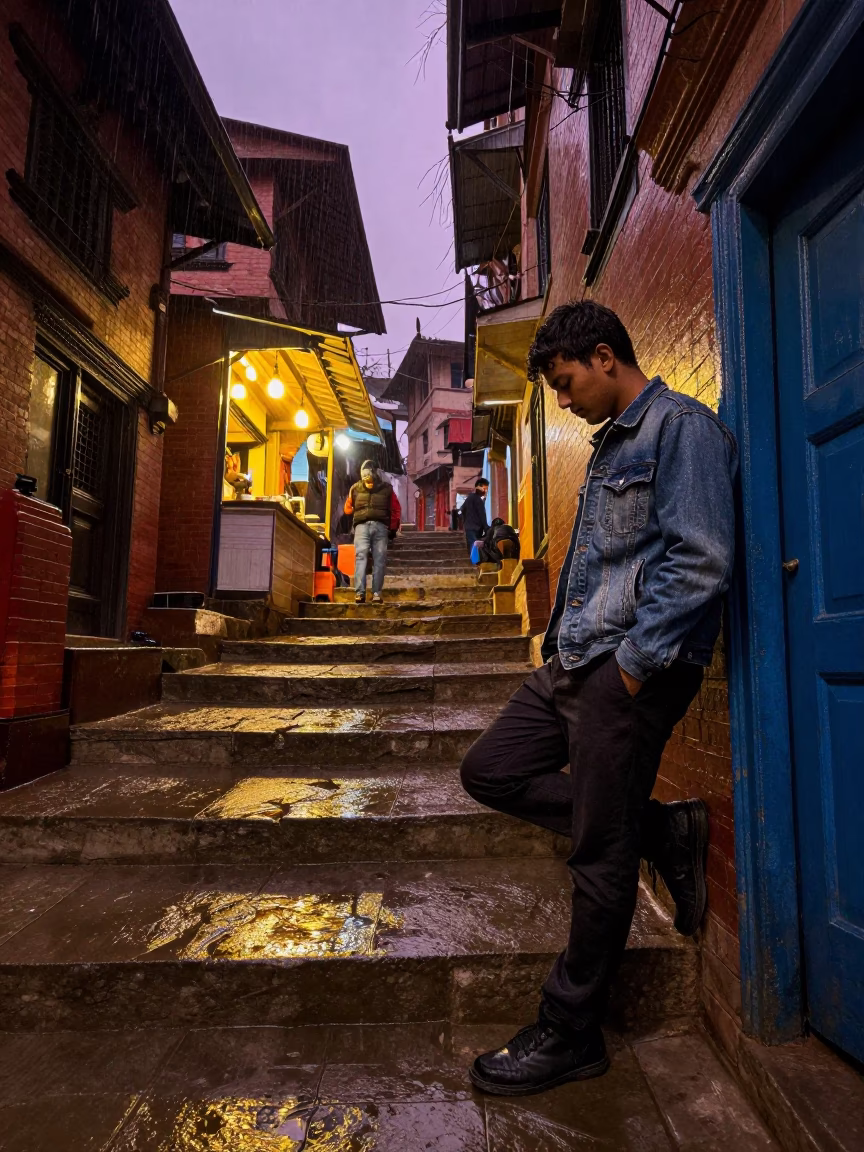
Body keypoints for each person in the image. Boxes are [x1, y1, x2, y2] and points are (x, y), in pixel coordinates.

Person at [460, 301, 737, 1096]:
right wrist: (564, 650)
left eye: (566, 381)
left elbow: (702, 560)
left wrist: (633, 667)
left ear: (606, 355)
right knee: (490, 770)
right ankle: (659, 827)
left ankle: (572, 1029)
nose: (565, 398)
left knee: (598, 852)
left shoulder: (681, 430)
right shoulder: (613, 441)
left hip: (629, 671)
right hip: (576, 661)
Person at [344, 459, 401, 603]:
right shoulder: (357, 488)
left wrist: (393, 527)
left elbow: (348, 509)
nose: (368, 482)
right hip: (370, 527)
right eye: (365, 479)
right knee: (369, 558)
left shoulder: (357, 488)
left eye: (369, 478)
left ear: (374, 475)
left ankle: (372, 593)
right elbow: (347, 508)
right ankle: (365, 593)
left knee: (373, 559)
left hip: (375, 527)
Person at [461, 477, 489, 555]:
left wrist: (465, 522)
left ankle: (473, 562)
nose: (485, 491)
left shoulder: (469, 498)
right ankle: (475, 563)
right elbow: (482, 515)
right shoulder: (478, 500)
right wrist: (486, 527)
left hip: (469, 527)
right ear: (479, 488)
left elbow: (462, 510)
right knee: (475, 546)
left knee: (472, 545)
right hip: (476, 528)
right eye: (485, 489)